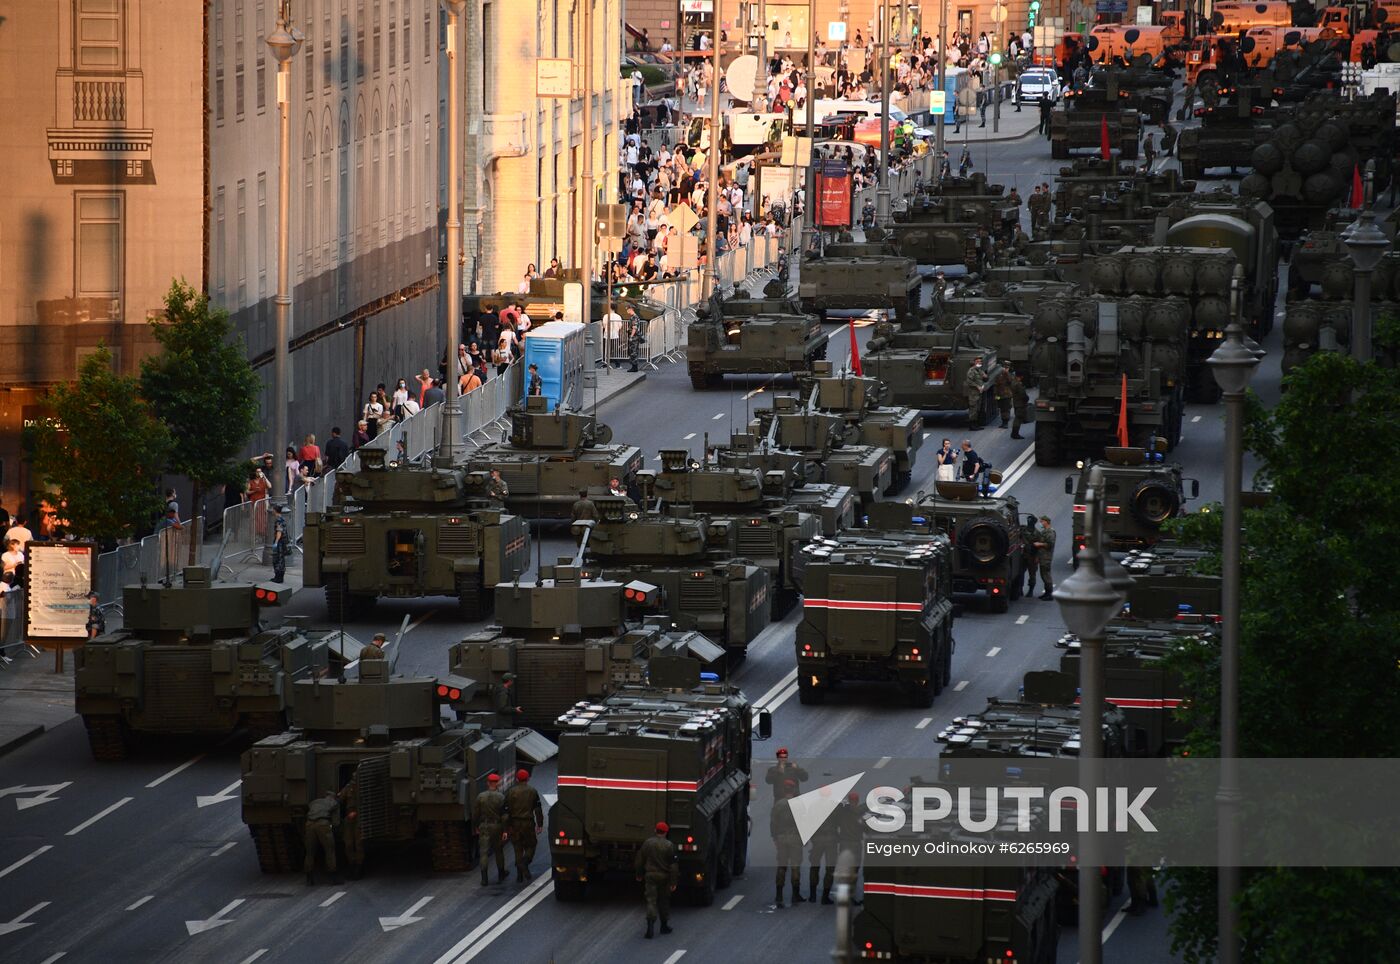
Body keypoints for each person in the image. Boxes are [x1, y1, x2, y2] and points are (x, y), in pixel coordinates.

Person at [635, 822, 678, 938]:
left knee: (651, 900)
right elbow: (673, 866)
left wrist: (639, 874)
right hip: (664, 877)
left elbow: (640, 860)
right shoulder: (669, 845)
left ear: (655, 830)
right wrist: (673, 882)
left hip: (650, 876)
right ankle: (664, 926)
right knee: (664, 901)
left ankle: (650, 927)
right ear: (666, 832)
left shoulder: (647, 843)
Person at [504, 768, 544, 882]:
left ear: (517, 779)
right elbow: (537, 809)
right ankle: (525, 863)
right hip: (528, 823)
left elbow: (507, 811)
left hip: (515, 823)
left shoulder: (511, 792)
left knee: (517, 847)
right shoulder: (532, 791)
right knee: (531, 845)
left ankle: (519, 875)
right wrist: (539, 824)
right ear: (528, 779)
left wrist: (507, 827)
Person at [771, 782, 805, 907]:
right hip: (795, 837)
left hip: (781, 838)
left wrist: (775, 837)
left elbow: (773, 822)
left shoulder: (778, 804)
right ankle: (795, 895)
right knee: (795, 866)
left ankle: (779, 894)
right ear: (793, 790)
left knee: (781, 866)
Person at [473, 773, 509, 885]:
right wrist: (505, 830)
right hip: (497, 826)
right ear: (497, 783)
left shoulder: (480, 797)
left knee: (483, 852)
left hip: (484, 826)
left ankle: (484, 878)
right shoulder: (501, 797)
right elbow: (504, 816)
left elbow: (476, 814)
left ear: (488, 783)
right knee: (498, 851)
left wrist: (476, 826)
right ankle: (501, 874)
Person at [303, 790, 342, 885]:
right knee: (329, 851)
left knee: (310, 852)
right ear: (334, 797)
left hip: (309, 824)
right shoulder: (334, 803)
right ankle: (333, 878)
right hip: (323, 824)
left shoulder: (315, 802)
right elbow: (336, 822)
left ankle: (309, 878)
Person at [1021, 513, 1042, 598]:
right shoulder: (1022, 530)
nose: (1029, 522)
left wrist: (1037, 557)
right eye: (1028, 520)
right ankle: (1020, 589)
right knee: (1020, 573)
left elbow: (1040, 547)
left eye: (1031, 521)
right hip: (1023, 556)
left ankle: (1031, 590)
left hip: (1032, 556)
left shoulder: (1037, 534)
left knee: (1032, 574)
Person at [965, 356, 989, 426]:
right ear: (975, 362)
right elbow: (969, 381)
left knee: (978, 409)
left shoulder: (979, 370)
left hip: (979, 392)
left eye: (980, 362)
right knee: (973, 409)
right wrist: (977, 386)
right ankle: (972, 425)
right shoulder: (972, 370)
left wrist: (986, 376)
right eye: (978, 361)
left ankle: (976, 424)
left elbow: (985, 379)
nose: (979, 363)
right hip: (973, 393)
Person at [271, 504, 289, 584]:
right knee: (281, 559)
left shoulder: (278, 520)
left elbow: (279, 532)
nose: (272, 510)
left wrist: (276, 542)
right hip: (282, 542)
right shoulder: (282, 519)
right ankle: (279, 577)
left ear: (275, 510)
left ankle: (278, 577)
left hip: (280, 543)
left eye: (273, 509)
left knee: (277, 560)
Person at [1010, 370, 1030, 439]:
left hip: (1016, 403)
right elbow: (1022, 394)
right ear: (1021, 376)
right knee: (1018, 419)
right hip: (1020, 403)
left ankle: (1014, 433)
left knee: (1017, 418)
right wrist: (1027, 398)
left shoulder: (1013, 382)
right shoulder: (1018, 384)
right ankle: (1015, 434)